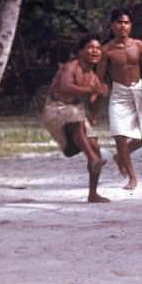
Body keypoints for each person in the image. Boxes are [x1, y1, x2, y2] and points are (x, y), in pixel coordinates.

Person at [42, 34, 109, 203]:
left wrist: (99, 96)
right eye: (91, 47)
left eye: (98, 48)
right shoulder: (70, 67)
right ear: (81, 51)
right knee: (76, 121)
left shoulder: (93, 77)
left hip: (75, 111)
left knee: (95, 146)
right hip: (55, 109)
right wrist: (91, 90)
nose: (95, 51)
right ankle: (93, 159)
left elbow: (93, 103)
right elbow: (65, 87)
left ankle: (93, 193)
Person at [98, 9, 142, 190]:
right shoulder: (106, 50)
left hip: (137, 92)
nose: (122, 26)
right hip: (118, 94)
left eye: (126, 23)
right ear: (112, 26)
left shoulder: (139, 46)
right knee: (120, 136)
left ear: (130, 26)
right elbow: (99, 77)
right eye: (119, 22)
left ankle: (119, 157)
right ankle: (132, 177)